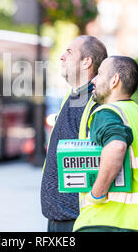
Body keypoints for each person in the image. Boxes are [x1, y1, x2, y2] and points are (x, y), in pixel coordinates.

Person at [73, 56, 138, 232]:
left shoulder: (108, 113)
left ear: (114, 80)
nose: (94, 80)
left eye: (99, 74)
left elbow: (116, 147)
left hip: (105, 223)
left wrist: (96, 194)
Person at [40, 35, 108, 232]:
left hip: (77, 219)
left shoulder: (95, 102)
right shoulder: (71, 98)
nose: (61, 57)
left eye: (69, 53)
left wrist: (94, 198)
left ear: (87, 62)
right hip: (58, 216)